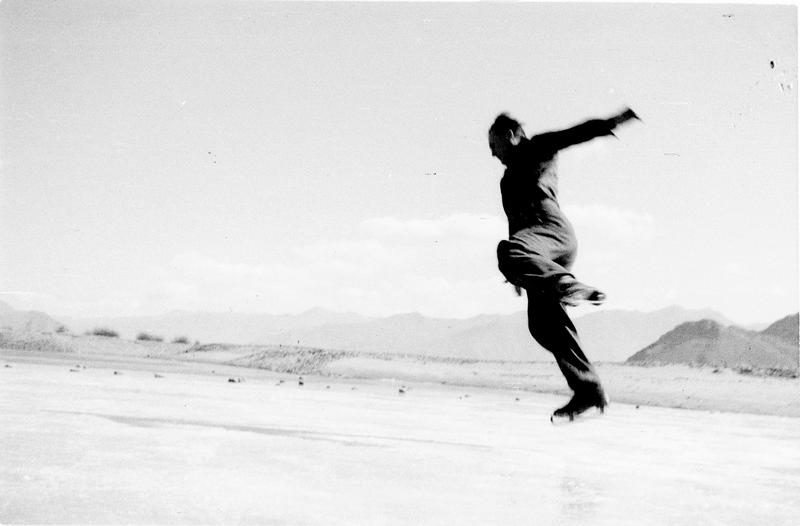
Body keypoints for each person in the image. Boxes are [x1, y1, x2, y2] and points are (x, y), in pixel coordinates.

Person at [488, 108, 639, 419]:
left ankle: (565, 285)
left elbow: (574, 133)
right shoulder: (505, 182)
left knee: (506, 252)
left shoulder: (537, 147)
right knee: (542, 324)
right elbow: (514, 225)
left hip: (552, 231)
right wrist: (519, 274)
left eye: (494, 146)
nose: (493, 154)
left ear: (511, 135)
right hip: (534, 249)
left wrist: (612, 123)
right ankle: (589, 391)